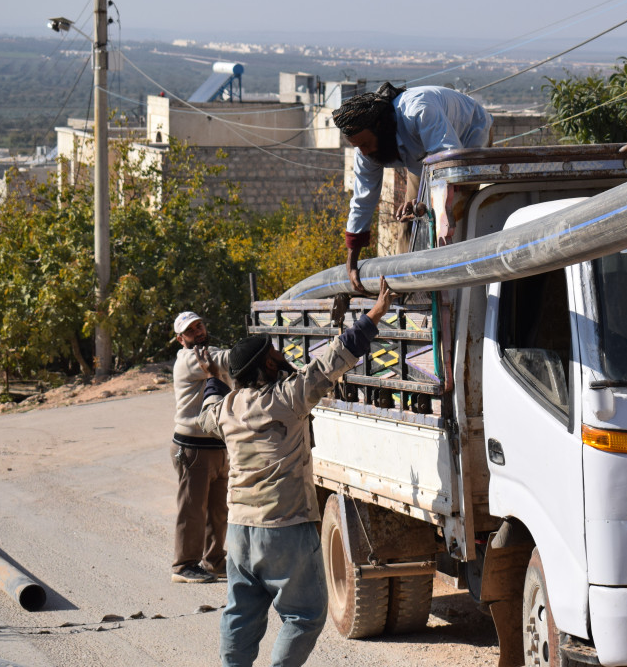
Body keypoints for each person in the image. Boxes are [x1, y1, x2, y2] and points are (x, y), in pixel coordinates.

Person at [197, 281, 395, 667]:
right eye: (274, 352)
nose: (280, 354)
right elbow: (335, 358)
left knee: (240, 612)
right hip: (286, 527)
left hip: (239, 531)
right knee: (303, 616)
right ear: (268, 365)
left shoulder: (226, 410)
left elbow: (206, 409)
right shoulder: (288, 397)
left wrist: (210, 377)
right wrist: (374, 314)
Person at [334, 83, 492, 293]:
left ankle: (453, 290)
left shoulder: (420, 110)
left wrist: (422, 203)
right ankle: (402, 290)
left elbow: (449, 168)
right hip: (424, 159)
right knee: (408, 223)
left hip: (466, 140)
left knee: (449, 216)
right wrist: (351, 262)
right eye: (357, 147)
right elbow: (363, 200)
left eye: (365, 145)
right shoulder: (365, 149)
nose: (364, 152)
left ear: (380, 127)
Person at [170, 311, 232, 584]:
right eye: (190, 330)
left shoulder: (207, 354)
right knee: (193, 509)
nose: (198, 332)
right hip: (193, 447)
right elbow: (227, 360)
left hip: (216, 445)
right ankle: (183, 566)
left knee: (218, 510)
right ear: (180, 339)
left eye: (199, 326)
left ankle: (214, 561)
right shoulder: (190, 359)